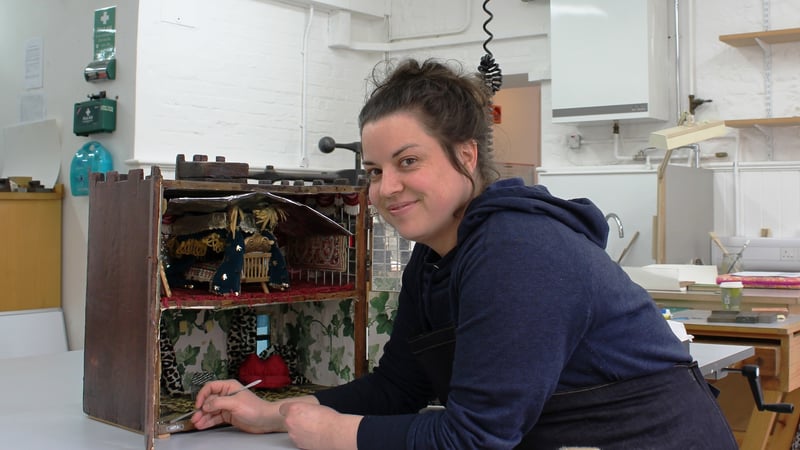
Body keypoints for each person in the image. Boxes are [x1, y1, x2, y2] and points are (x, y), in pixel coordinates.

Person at [192, 58, 738, 450]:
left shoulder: (518, 252)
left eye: (408, 161)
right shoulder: (434, 258)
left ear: (467, 155)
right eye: (375, 171)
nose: (386, 188)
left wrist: (340, 434)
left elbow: (476, 438)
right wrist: (275, 414)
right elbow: (399, 388)